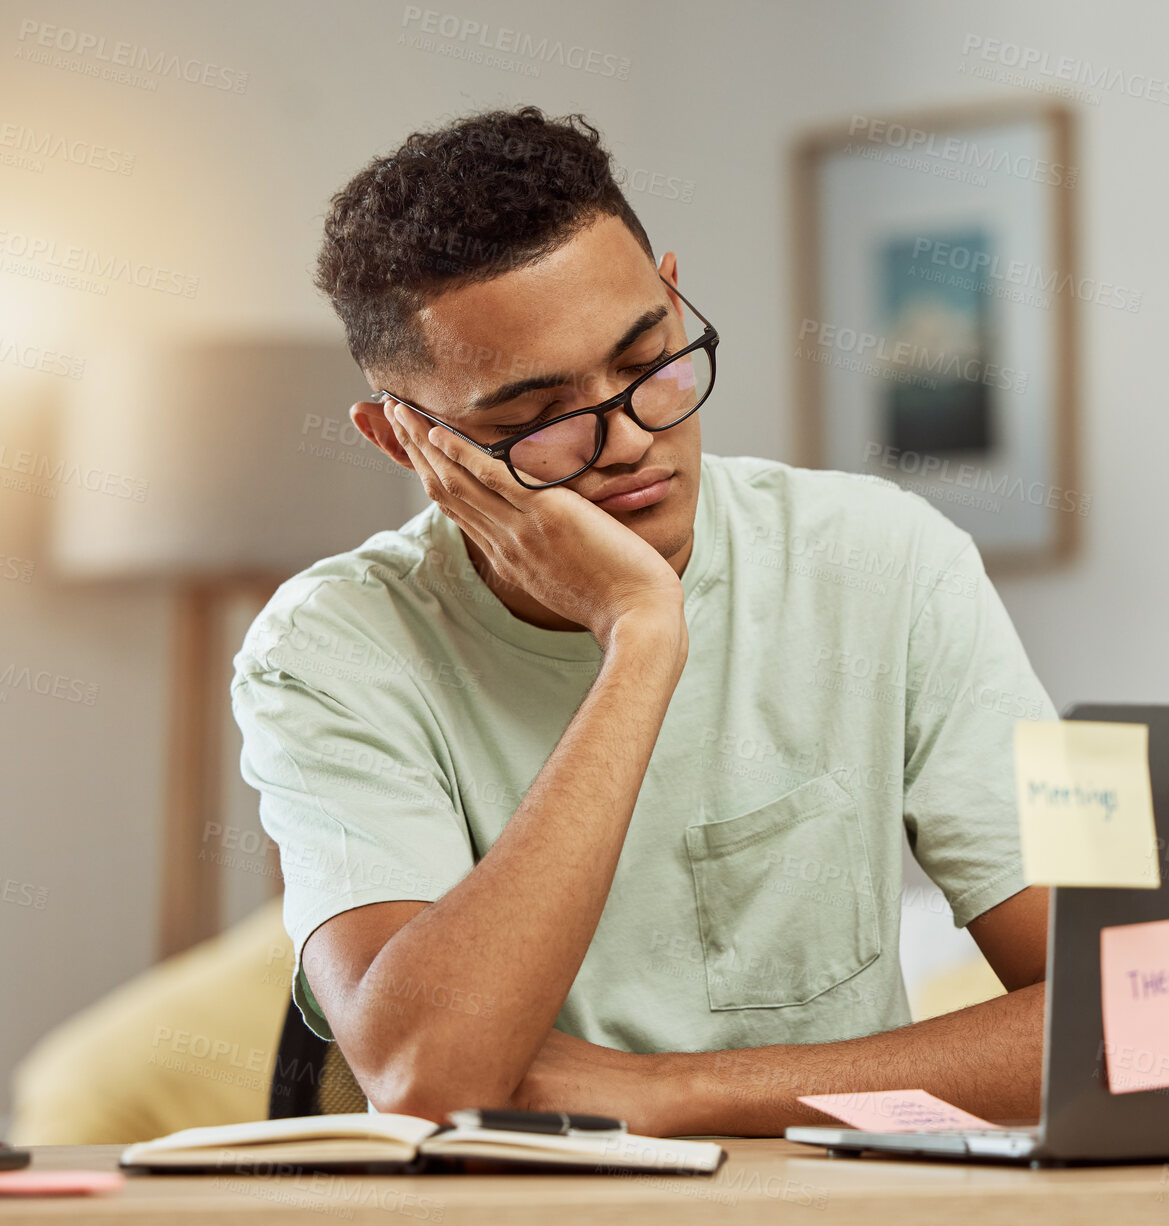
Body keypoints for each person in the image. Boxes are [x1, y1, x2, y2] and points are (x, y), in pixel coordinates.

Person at [231, 105, 1055, 1136]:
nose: (626, 439)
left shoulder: (882, 559)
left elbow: (1131, 1026)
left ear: (671, 292)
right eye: (535, 416)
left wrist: (672, 1092)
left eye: (644, 358)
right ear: (407, 443)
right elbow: (429, 1074)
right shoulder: (328, 649)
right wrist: (639, 633)